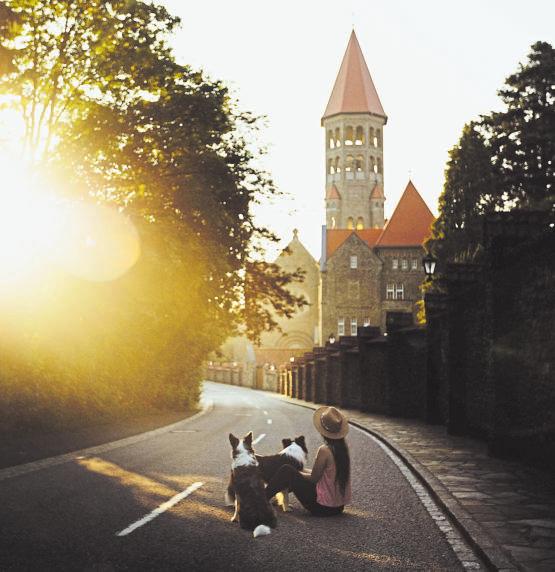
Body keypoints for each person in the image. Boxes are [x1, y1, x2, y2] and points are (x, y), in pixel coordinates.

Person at [264, 406, 351, 516]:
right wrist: (301, 471)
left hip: (322, 507)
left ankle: (259, 500)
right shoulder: (343, 448)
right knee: (294, 471)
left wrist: (297, 473)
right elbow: (325, 475)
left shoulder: (324, 450)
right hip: (338, 507)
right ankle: (272, 497)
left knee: (286, 470)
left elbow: (314, 478)